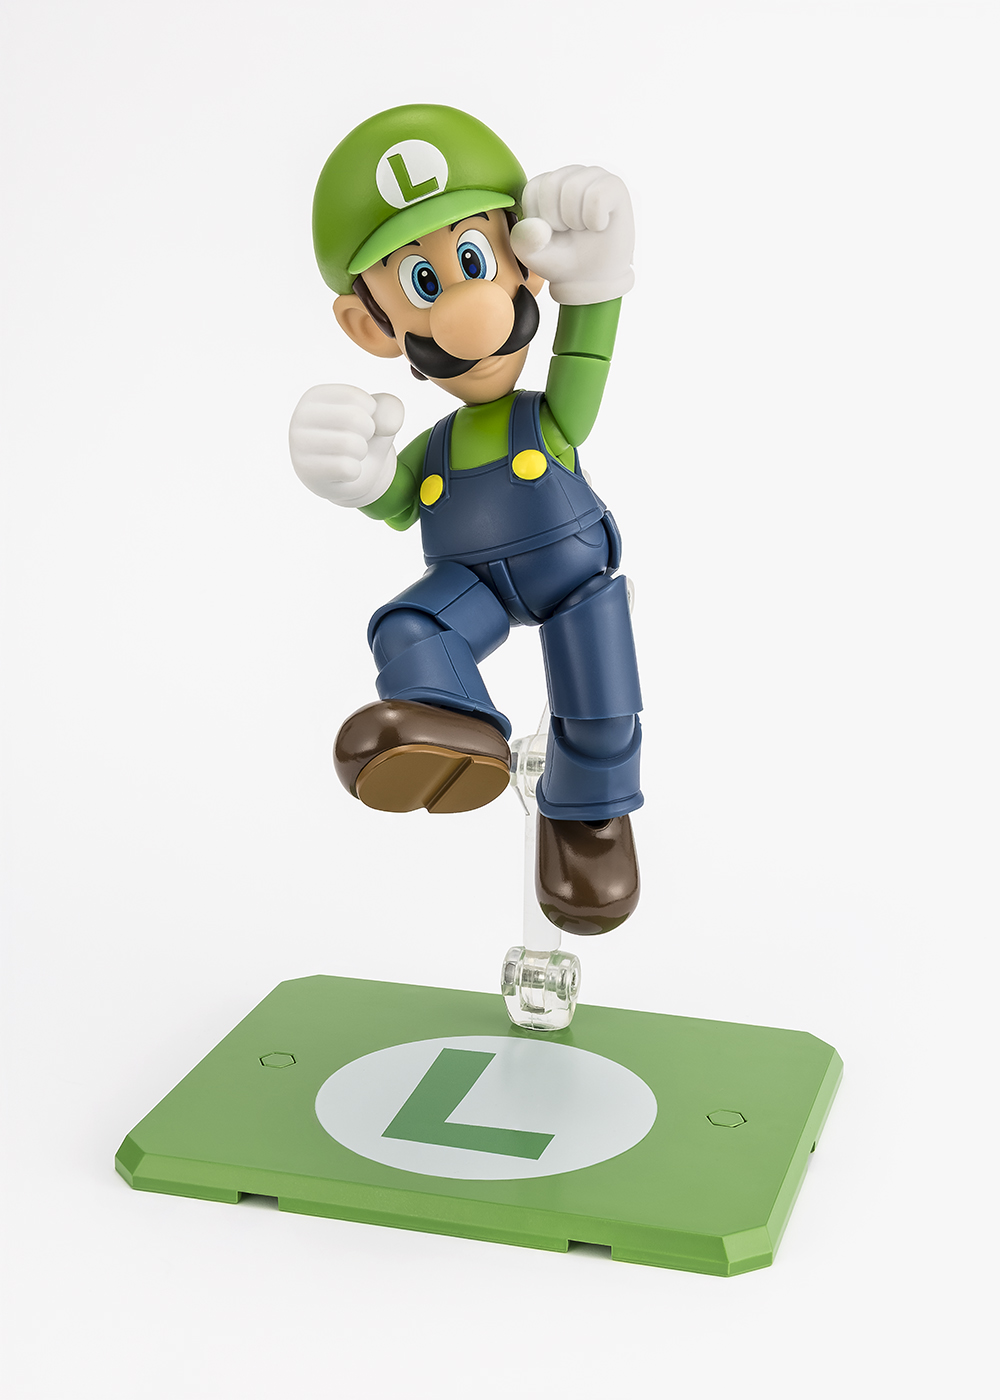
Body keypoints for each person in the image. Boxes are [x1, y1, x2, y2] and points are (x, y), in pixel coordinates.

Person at [289, 104, 642, 935]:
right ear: (372, 327)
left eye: (475, 259)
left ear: (524, 264)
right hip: (469, 583)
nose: (467, 310)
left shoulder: (546, 417)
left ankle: (589, 822)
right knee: (408, 626)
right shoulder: (435, 446)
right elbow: (396, 497)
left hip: (570, 577)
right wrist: (355, 475)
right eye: (424, 282)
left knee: (598, 705)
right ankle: (451, 722)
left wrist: (596, 284)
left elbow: (583, 354)